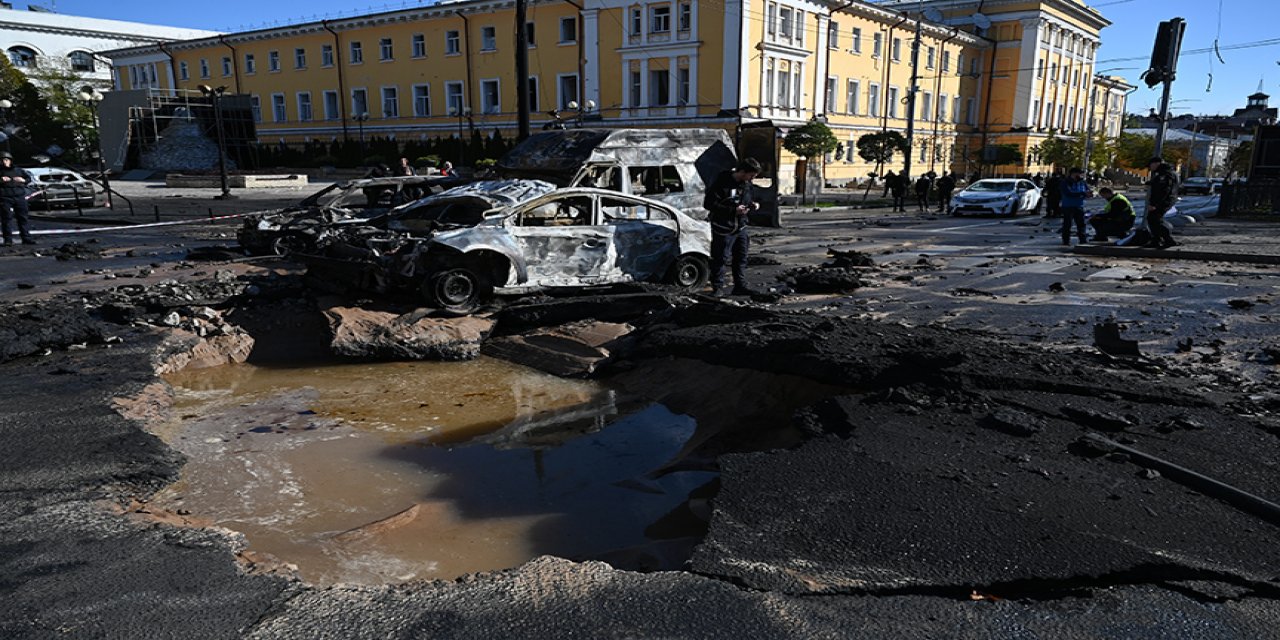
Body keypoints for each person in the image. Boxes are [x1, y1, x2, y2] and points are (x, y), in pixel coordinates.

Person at [703, 157, 762, 296]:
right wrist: (732, 210)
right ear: (742, 171)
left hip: (741, 226)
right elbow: (709, 204)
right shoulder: (721, 182)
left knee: (741, 257)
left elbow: (747, 199)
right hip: (723, 227)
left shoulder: (746, 184)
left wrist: (753, 204)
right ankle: (717, 287)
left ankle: (739, 286)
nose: (751, 179)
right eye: (751, 175)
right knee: (721, 257)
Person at [0, 151, 35, 245]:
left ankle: (26, 238)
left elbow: (28, 178)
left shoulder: (18, 170)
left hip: (19, 196)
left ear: (10, 160)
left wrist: (23, 180)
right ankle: (8, 240)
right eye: (2, 160)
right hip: (5, 197)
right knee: (6, 219)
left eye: (6, 160)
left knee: (23, 218)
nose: (4, 162)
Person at [1145, 156, 1179, 249]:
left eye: (1151, 165)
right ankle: (1156, 240)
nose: (1150, 167)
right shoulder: (1166, 172)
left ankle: (1168, 240)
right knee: (1153, 219)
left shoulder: (1165, 174)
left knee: (1155, 219)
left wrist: (1155, 205)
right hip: (1166, 200)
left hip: (1163, 201)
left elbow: (1164, 190)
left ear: (1157, 163)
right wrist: (1152, 183)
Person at [1059, 166, 1091, 246]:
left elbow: (1087, 190)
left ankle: (1082, 240)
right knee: (1067, 224)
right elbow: (1068, 194)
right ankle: (1066, 241)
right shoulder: (1065, 182)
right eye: (1079, 174)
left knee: (1081, 224)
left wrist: (1089, 194)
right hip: (1068, 206)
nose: (1081, 176)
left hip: (1079, 206)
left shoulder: (1082, 182)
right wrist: (1083, 194)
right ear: (1073, 174)